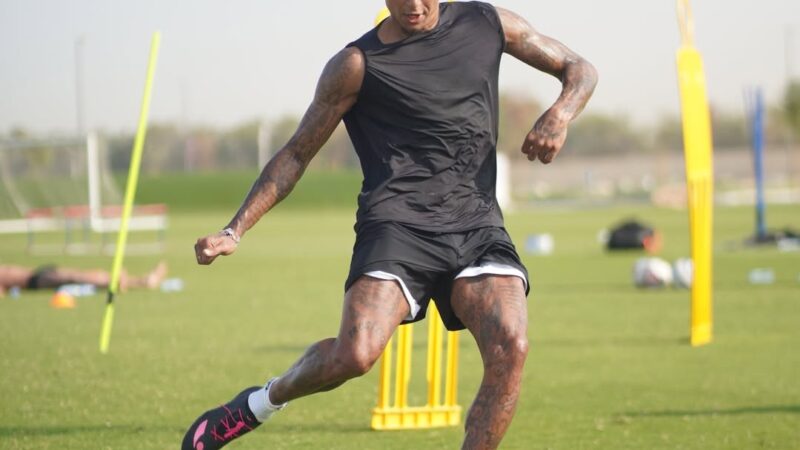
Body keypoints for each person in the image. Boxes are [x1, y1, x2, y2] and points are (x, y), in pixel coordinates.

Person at [184, 1, 596, 449]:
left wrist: (561, 113)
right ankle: (258, 404)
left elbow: (579, 68)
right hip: (397, 225)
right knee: (354, 356)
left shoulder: (487, 23)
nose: (414, 6)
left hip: (475, 222)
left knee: (511, 345)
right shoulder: (355, 65)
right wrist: (234, 230)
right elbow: (297, 153)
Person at [0, 261, 168, 297]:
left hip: (36, 273)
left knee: (81, 274)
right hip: (33, 280)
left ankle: (142, 281)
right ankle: (140, 281)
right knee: (76, 277)